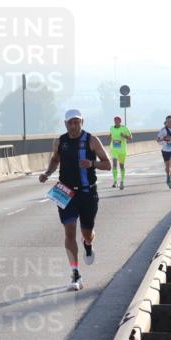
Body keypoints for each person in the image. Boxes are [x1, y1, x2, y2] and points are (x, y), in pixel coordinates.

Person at [38, 109, 111, 291]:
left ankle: (88, 244)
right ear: (65, 124)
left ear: (82, 122)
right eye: (70, 122)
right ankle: (75, 273)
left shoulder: (91, 140)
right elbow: (55, 160)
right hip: (65, 191)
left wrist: (92, 163)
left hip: (88, 192)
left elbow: (108, 164)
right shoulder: (60, 141)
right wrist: (47, 173)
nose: (73, 125)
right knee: (69, 232)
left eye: (76, 122)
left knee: (87, 232)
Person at [108, 115, 132, 189]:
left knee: (121, 166)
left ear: (120, 121)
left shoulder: (124, 128)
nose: (116, 122)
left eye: (117, 120)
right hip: (114, 149)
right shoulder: (111, 128)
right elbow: (111, 135)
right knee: (114, 164)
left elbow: (130, 138)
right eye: (115, 121)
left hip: (122, 150)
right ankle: (115, 182)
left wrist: (124, 136)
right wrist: (109, 137)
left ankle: (122, 181)